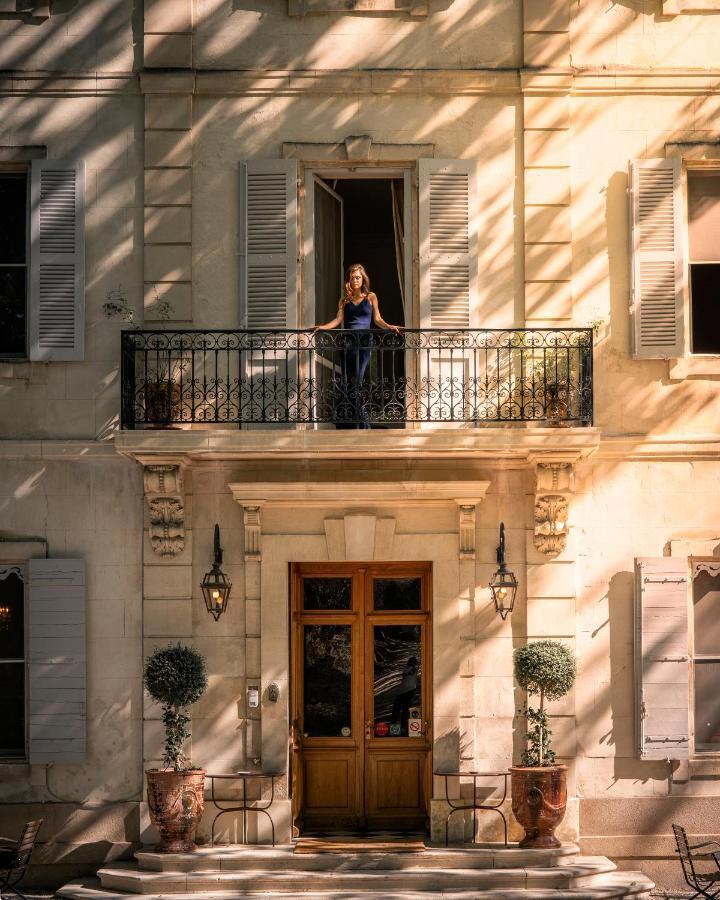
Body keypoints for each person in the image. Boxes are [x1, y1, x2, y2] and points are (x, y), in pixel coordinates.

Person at [313, 264, 402, 429]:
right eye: (352, 277)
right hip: (347, 344)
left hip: (363, 344)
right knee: (348, 382)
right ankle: (354, 422)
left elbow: (377, 319)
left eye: (358, 277)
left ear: (363, 279)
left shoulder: (371, 297)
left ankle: (362, 423)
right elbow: (338, 320)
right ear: (349, 280)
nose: (355, 280)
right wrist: (323, 327)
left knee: (357, 383)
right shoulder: (344, 300)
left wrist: (389, 326)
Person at [391, 656, 419, 735]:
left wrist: (412, 667)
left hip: (407, 692)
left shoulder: (414, 669)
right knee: (399, 711)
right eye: (413, 662)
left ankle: (401, 730)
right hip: (404, 692)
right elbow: (405, 673)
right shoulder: (409, 669)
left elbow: (408, 673)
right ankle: (396, 731)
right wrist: (411, 667)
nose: (414, 664)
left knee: (402, 711)